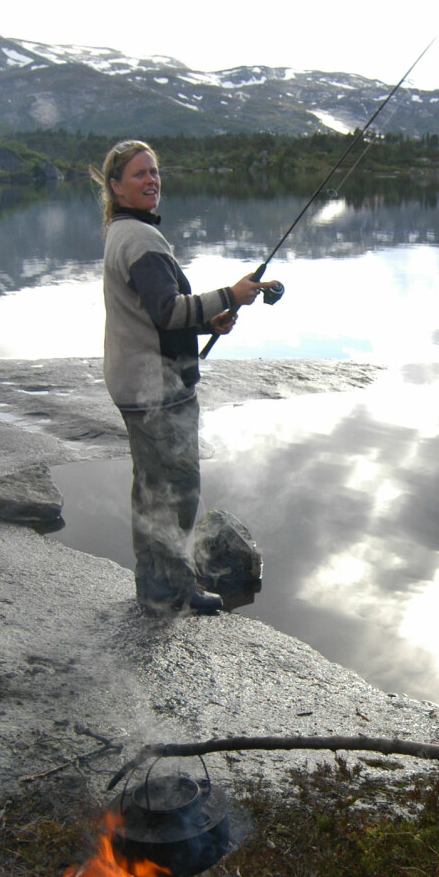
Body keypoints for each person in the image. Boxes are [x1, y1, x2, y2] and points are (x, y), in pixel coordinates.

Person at [93, 139, 277, 616]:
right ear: (116, 186)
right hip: (155, 390)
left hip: (140, 383)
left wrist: (206, 321)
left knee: (152, 488)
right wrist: (228, 295)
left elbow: (152, 315)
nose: (151, 180)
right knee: (176, 492)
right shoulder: (139, 239)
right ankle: (170, 591)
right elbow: (166, 309)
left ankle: (156, 585)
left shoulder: (122, 231)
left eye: (154, 171)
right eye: (139, 174)